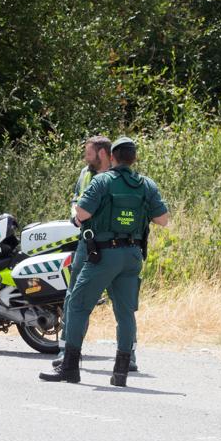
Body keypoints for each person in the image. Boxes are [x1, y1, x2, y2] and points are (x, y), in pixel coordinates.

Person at [41, 137, 169, 386]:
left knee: (78, 304)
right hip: (132, 255)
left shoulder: (102, 181)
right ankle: (121, 371)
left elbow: (81, 213)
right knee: (125, 312)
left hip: (103, 254)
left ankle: (69, 367)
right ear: (134, 158)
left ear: (112, 158)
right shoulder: (146, 185)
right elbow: (162, 219)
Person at [53, 136, 138, 372]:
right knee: (74, 295)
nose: (85, 159)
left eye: (88, 154)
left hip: (114, 244)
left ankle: (128, 354)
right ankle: (66, 351)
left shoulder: (121, 175)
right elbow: (76, 198)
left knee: (122, 302)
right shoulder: (85, 174)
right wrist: (75, 213)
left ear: (102, 153)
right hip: (87, 242)